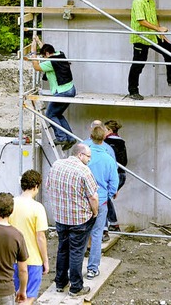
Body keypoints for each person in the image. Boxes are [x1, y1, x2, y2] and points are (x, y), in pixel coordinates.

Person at [45, 143, 99, 297]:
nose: (89, 160)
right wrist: (95, 213)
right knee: (76, 252)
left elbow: (49, 186)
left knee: (62, 249)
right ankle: (76, 287)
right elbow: (93, 197)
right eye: (88, 156)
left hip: (61, 217)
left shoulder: (56, 165)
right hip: (79, 219)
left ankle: (60, 283)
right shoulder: (84, 171)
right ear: (80, 155)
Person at [127, 0, 171, 99]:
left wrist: (160, 33)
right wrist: (158, 29)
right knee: (138, 65)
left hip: (152, 36)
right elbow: (141, 21)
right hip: (141, 38)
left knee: (169, 49)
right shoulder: (138, 1)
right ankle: (133, 91)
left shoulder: (151, 1)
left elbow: (154, 17)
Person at [9, 170, 49, 305]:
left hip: (10, 259)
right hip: (32, 259)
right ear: (36, 186)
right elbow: (40, 237)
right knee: (28, 298)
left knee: (13, 296)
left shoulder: (10, 204)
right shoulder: (38, 208)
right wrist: (45, 260)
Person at [84, 124, 119, 280]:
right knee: (97, 235)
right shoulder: (108, 157)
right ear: (105, 136)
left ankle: (76, 269)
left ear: (90, 135)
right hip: (101, 201)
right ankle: (92, 269)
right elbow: (114, 182)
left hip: (83, 201)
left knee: (80, 235)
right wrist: (107, 196)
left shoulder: (83, 154)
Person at [27, 40, 76, 148]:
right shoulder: (59, 54)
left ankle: (61, 138)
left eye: (44, 56)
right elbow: (46, 49)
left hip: (63, 92)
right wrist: (38, 42)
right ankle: (70, 138)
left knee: (50, 115)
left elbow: (36, 67)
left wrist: (33, 53)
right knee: (57, 114)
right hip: (70, 90)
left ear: (48, 54)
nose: (43, 59)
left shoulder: (50, 62)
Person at [104, 119, 128, 232]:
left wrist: (111, 181)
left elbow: (110, 163)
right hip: (121, 175)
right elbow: (125, 161)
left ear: (109, 130)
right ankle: (114, 224)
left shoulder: (108, 143)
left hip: (114, 175)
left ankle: (105, 228)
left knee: (102, 200)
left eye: (104, 129)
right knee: (106, 200)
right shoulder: (121, 142)